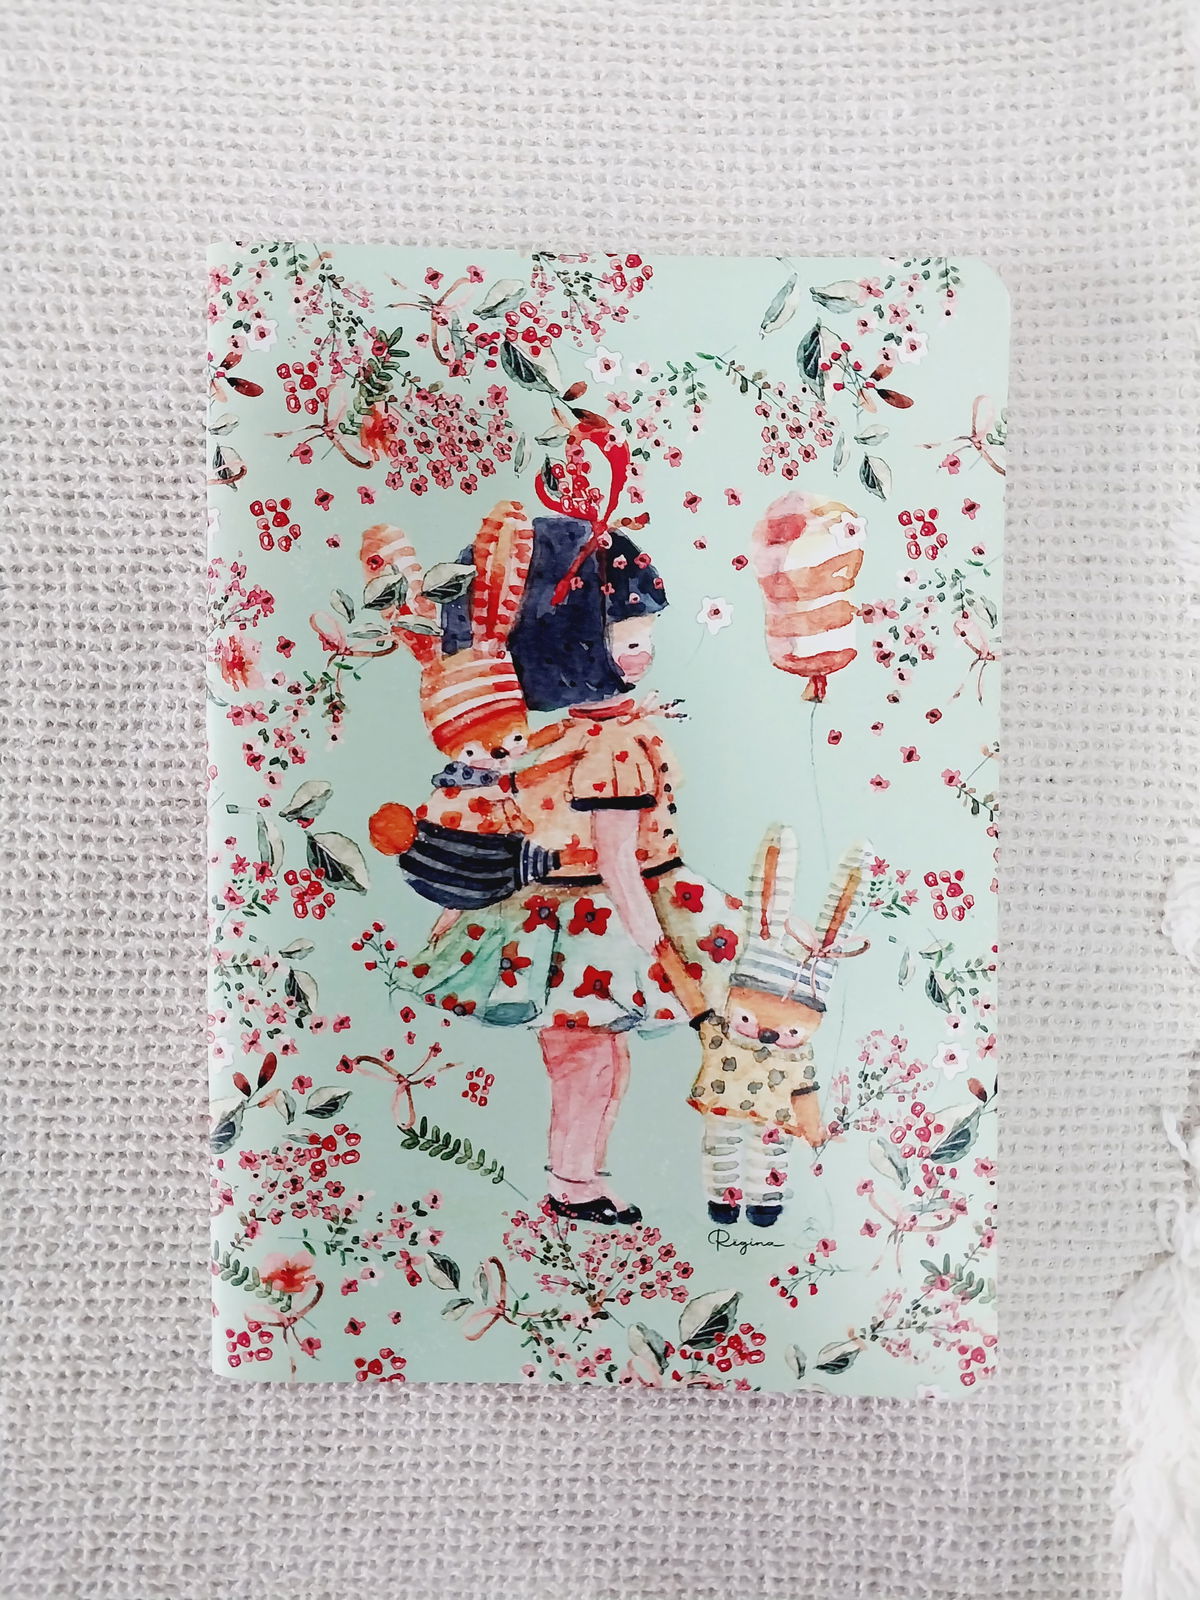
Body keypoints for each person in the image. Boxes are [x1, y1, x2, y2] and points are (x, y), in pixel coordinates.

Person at [397, 513, 740, 1225]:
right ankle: (574, 1184)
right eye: (628, 639)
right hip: (595, 922)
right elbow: (616, 858)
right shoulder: (609, 746)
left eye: (644, 635)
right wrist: (658, 946)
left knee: (591, 1059)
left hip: (555, 920)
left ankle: (579, 1178)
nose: (645, 653)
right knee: (587, 1061)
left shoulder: (548, 734)